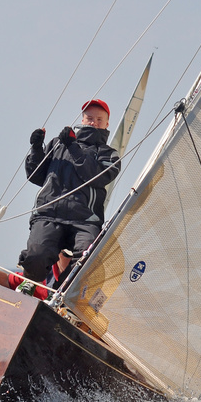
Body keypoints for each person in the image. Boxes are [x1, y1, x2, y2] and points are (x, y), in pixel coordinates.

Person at [17, 99, 120, 291]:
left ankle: (58, 293)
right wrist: (36, 148)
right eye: (90, 118)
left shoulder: (109, 154)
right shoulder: (57, 144)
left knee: (88, 258)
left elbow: (94, 176)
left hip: (85, 220)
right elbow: (36, 175)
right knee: (36, 256)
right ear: (82, 119)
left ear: (107, 124)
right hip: (48, 214)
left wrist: (73, 146)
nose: (94, 123)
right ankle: (30, 284)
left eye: (99, 119)